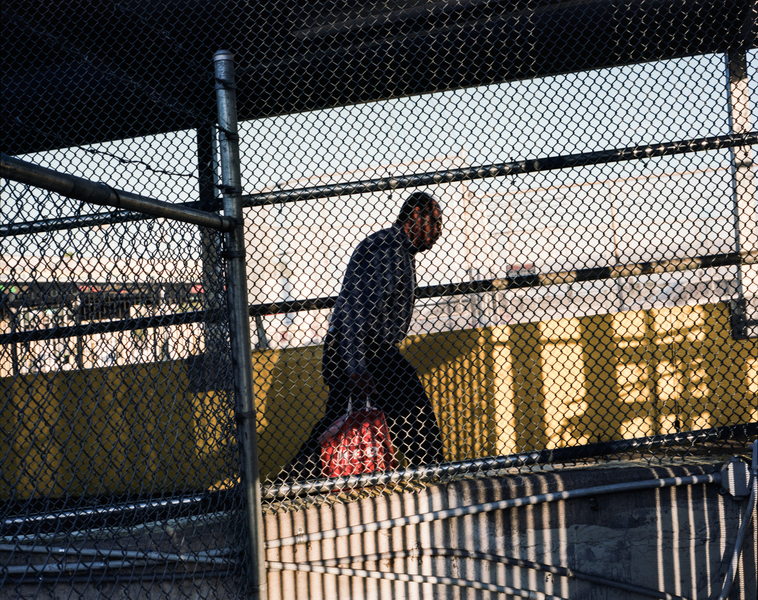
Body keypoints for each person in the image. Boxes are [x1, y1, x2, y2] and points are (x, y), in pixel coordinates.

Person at [286, 191, 446, 480]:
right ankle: (434, 474)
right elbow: (355, 312)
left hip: (364, 348)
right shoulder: (387, 249)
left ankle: (291, 483)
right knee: (414, 412)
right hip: (362, 348)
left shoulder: (400, 251)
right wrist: (357, 366)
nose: (438, 231)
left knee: (343, 421)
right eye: (435, 222)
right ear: (415, 216)